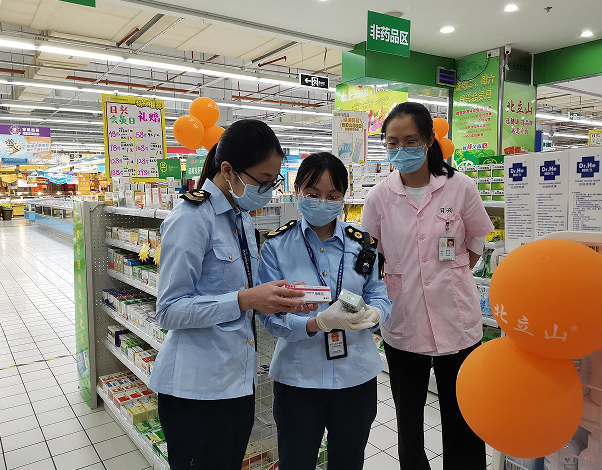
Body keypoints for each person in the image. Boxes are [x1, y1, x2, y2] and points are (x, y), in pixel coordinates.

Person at [148, 119, 314, 470]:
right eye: (263, 180)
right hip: (196, 390)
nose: (268, 190)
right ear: (228, 170)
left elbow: (246, 288)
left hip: (238, 381)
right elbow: (169, 310)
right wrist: (245, 300)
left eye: (274, 181)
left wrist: (280, 299)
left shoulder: (240, 217)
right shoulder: (191, 219)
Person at [361, 103, 494, 470]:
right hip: (404, 322)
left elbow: (476, 242)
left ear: (429, 141)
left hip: (456, 320)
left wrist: (448, 276)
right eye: (392, 142)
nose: (400, 149)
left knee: (463, 416)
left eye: (410, 141)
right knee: (408, 420)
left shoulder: (460, 187)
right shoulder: (378, 197)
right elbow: (370, 254)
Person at [258, 152, 392, 470]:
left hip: (355, 377)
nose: (323, 202)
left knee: (348, 461)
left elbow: (379, 296)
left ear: (344, 196)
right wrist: (315, 323)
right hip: (298, 380)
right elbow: (269, 317)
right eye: (313, 193)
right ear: (297, 191)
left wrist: (376, 314)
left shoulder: (363, 245)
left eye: (333, 196)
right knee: (296, 461)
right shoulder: (276, 247)